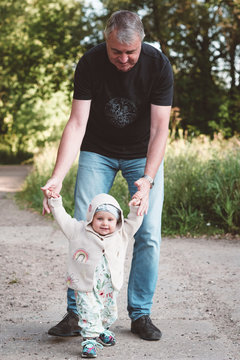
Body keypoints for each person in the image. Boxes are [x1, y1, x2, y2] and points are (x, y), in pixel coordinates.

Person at [41, 9, 173, 341]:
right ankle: (77, 312)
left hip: (142, 154)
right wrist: (57, 175)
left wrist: (148, 178)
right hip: (96, 151)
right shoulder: (90, 63)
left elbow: (160, 130)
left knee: (149, 233)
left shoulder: (158, 65)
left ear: (141, 42)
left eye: (131, 52)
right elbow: (76, 123)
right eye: (117, 52)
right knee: (83, 231)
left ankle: (140, 314)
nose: (125, 59)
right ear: (106, 42)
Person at [46, 190, 143, 358]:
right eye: (100, 218)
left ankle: (100, 330)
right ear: (91, 217)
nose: (105, 223)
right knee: (88, 310)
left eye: (110, 219)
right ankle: (89, 340)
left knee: (108, 311)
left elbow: (134, 222)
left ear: (117, 220)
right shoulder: (78, 230)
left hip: (109, 285)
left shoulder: (122, 233)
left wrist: (135, 209)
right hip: (85, 284)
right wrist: (55, 202)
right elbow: (63, 219)